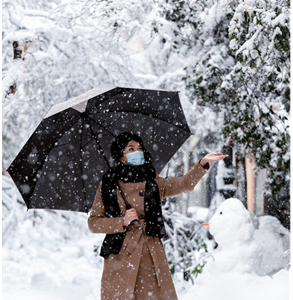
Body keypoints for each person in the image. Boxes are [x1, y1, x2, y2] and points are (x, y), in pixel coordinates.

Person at [88, 132, 228, 300]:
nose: (137, 152)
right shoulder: (108, 184)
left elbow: (183, 185)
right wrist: (121, 221)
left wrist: (202, 164)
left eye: (139, 148)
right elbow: (94, 223)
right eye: (130, 148)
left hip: (150, 250)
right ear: (120, 155)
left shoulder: (151, 180)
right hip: (120, 254)